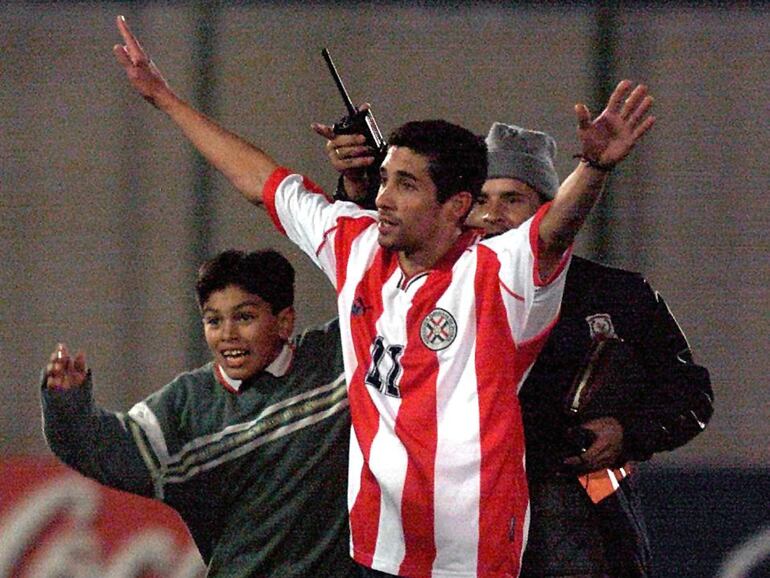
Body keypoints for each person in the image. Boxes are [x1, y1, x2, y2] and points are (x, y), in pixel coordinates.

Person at [112, 15, 655, 578]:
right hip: (377, 547)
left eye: (406, 184)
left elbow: (553, 230)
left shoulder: (497, 272)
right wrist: (164, 98)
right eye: (387, 178)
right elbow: (262, 183)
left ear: (456, 205)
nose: (384, 198)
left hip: (472, 554)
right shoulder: (357, 245)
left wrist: (594, 168)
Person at [321, 122, 713, 577]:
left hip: (579, 523)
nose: (492, 215)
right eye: (482, 200)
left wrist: (630, 433)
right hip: (464, 530)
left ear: (551, 206)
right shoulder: (429, 288)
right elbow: (373, 261)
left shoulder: (617, 294)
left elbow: (691, 393)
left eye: (512, 199)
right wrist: (356, 188)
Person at [41, 249, 356, 578]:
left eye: (244, 317)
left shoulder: (335, 360)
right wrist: (67, 403)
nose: (228, 334)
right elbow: (104, 447)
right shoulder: (187, 406)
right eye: (214, 320)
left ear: (284, 322)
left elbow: (382, 308)